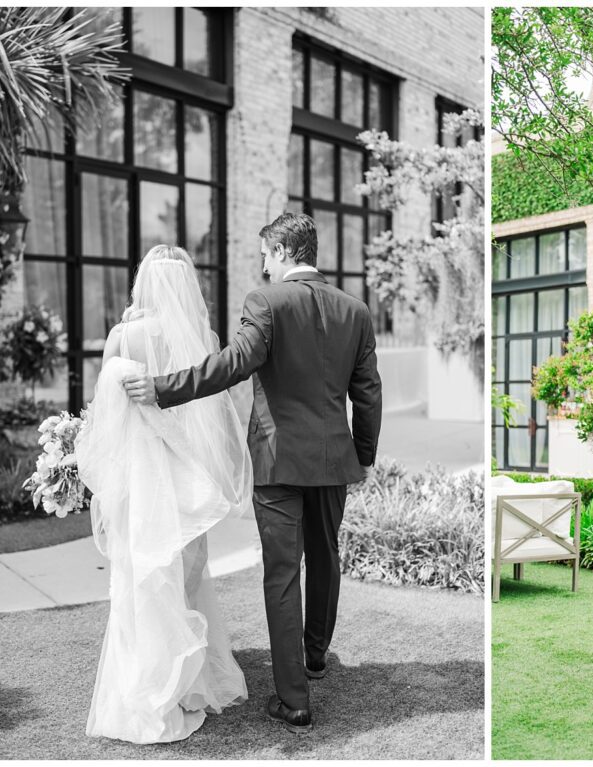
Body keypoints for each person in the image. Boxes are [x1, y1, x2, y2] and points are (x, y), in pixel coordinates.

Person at [121, 212, 383, 733]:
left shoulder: (264, 302)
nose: (262, 265)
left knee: (283, 573)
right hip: (334, 460)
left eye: (266, 254)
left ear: (284, 252)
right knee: (326, 557)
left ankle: (295, 700)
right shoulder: (356, 311)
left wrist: (163, 388)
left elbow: (233, 363)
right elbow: (368, 392)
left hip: (277, 460)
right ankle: (314, 656)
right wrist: (365, 454)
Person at [77, 245, 251, 743]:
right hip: (187, 478)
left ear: (143, 284)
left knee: (143, 580)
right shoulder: (205, 337)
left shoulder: (122, 335)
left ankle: (151, 688)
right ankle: (192, 685)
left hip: (142, 479)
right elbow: (215, 414)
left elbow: (103, 417)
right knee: (189, 576)